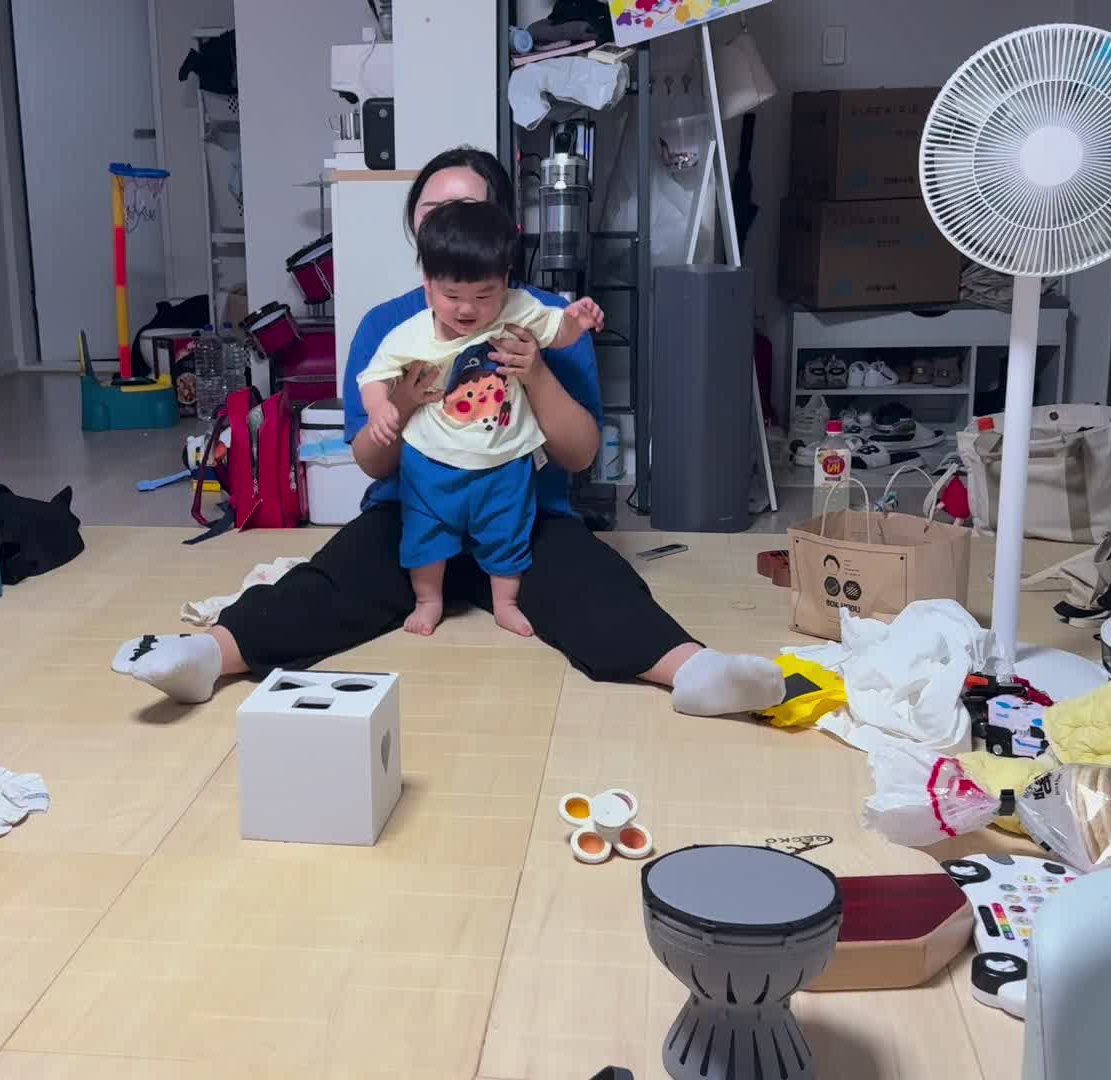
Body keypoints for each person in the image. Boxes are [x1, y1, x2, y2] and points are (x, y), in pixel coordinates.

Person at [113, 146, 784, 719]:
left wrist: (536, 373)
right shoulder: (391, 327)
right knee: (333, 577)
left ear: (501, 236)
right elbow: (372, 464)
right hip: (417, 508)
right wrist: (401, 404)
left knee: (593, 578)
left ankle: (695, 672)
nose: (447, 225)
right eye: (432, 212)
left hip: (520, 509)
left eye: (465, 210)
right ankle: (207, 657)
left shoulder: (541, 317)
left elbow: (579, 456)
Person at [358, 199, 605, 637]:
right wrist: (381, 408)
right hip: (431, 463)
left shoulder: (520, 309)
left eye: (484, 296)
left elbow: (558, 332)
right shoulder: (410, 333)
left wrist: (578, 322)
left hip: (505, 460)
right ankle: (428, 600)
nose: (467, 310)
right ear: (428, 284)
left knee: (508, 532)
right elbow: (374, 376)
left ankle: (505, 602)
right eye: (452, 297)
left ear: (505, 281)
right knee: (425, 533)